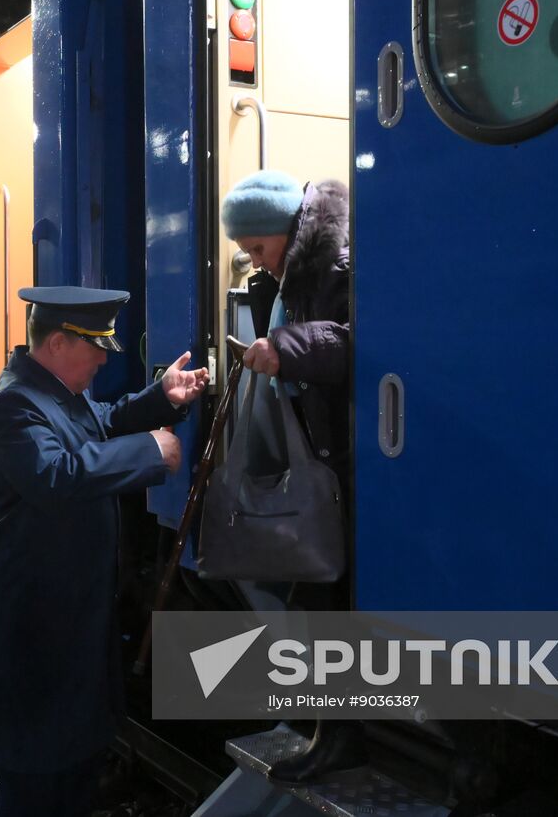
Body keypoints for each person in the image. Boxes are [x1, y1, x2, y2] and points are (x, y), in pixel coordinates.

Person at [0, 285, 209, 817]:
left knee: (74, 761)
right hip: (35, 624)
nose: (104, 358)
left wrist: (161, 396)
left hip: (69, 617)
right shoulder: (15, 404)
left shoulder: (55, 393)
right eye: (95, 346)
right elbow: (56, 475)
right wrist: (151, 451)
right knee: (36, 774)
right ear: (58, 343)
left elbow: (101, 419)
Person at [221, 169, 363, 785]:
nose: (257, 261)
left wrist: (286, 346)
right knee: (315, 594)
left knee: (324, 596)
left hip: (343, 456)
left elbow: (359, 340)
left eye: (257, 247)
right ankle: (331, 728)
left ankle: (340, 738)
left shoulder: (335, 263)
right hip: (320, 450)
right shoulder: (293, 271)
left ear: (282, 229)